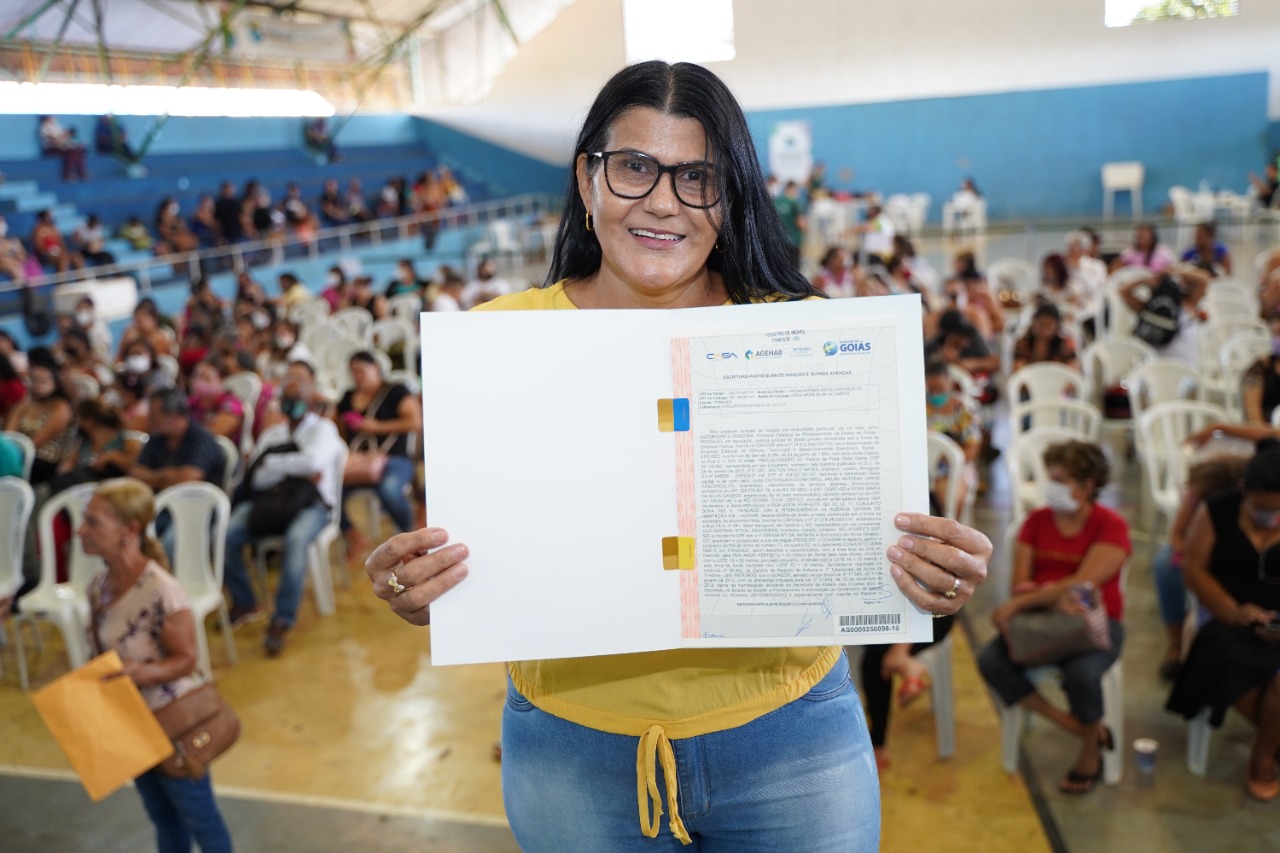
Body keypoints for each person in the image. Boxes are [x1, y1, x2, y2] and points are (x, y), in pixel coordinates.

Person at [363, 60, 992, 851]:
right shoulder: (497, 342)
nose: (662, 199)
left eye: (697, 176)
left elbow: (878, 538)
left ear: (731, 199)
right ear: (586, 180)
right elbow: (466, 548)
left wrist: (931, 567)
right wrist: (424, 585)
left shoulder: (803, 335)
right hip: (571, 750)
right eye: (633, 167)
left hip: (792, 740)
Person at [80, 478, 232, 851]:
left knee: (200, 818)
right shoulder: (99, 584)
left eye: (93, 522)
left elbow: (187, 661)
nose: (81, 530)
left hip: (171, 725)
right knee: (162, 817)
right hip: (132, 720)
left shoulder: (162, 590)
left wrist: (138, 672)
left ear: (129, 530)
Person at [978, 440, 1129, 795]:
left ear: (1086, 485)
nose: (1050, 485)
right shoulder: (1035, 522)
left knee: (1083, 676)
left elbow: (1083, 584)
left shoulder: (1111, 526)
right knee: (990, 661)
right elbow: (1019, 585)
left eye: (1059, 478)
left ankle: (1090, 753)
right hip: (1042, 620)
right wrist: (1047, 600)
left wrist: (1024, 602)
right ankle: (1078, 726)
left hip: (1096, 626)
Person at [1167, 440, 1280, 802]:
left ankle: (1264, 752)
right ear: (1246, 491)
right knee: (1229, 661)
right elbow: (1194, 569)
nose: (1271, 517)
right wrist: (1234, 611)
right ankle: (1269, 752)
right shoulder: (1218, 510)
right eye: (1263, 509)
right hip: (1226, 613)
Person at [222, 374, 345, 655]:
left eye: (298, 400)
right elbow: (257, 476)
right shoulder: (272, 434)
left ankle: (282, 618)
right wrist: (295, 467)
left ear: (310, 402)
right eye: (288, 400)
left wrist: (275, 463)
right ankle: (245, 601)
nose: (293, 406)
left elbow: (313, 461)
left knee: (296, 539)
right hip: (272, 503)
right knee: (227, 533)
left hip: (314, 506)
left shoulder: (323, 430)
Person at [1151, 455, 1247, 682]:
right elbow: (1177, 533)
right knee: (1166, 565)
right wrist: (1188, 556)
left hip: (1236, 555)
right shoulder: (1199, 495)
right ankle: (1175, 646)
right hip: (1199, 550)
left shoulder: (1253, 500)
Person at [336, 351, 420, 542]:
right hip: (359, 461)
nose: (358, 376)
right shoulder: (348, 397)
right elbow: (337, 428)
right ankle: (353, 536)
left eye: (361, 370)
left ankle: (409, 534)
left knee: (389, 489)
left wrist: (378, 427)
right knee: (325, 492)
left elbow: (415, 422)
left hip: (395, 458)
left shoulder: (395, 391)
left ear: (376, 368)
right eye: (353, 372)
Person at [129, 389, 227, 494]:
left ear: (173, 415)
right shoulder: (158, 437)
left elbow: (187, 482)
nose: (149, 420)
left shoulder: (203, 440)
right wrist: (165, 475)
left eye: (154, 415)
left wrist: (152, 478)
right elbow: (135, 474)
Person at [6, 350, 76, 486]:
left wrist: (15, 454)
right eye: (34, 380)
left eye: (43, 380)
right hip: (18, 453)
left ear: (55, 382)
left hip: (44, 459)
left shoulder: (61, 407)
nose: (38, 385)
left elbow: (39, 441)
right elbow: (9, 435)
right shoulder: (23, 406)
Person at [924, 357, 982, 514]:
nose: (936, 394)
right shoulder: (918, 408)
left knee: (951, 500)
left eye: (940, 389)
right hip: (922, 467)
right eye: (931, 390)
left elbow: (972, 449)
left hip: (955, 467)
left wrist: (946, 458)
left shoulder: (965, 410)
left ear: (950, 383)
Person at [187, 359, 245, 447]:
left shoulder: (231, 405)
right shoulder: (193, 401)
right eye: (196, 376)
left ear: (221, 380)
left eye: (205, 378)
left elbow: (215, 434)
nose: (198, 381)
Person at [1012, 303, 1080, 371]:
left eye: (1048, 325)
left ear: (1057, 327)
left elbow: (1073, 368)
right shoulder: (1023, 344)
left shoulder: (1065, 344)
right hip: (1030, 378)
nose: (1044, 329)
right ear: (1033, 322)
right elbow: (1018, 368)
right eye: (1040, 324)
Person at [1110, 223, 1175, 274]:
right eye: (1139, 234)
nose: (1141, 237)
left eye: (1145, 235)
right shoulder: (1130, 252)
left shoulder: (1163, 250)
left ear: (1152, 236)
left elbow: (1173, 268)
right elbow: (1114, 268)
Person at [38, 115, 88, 181]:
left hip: (62, 146)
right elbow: (54, 141)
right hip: (51, 148)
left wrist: (70, 139)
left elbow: (64, 137)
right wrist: (63, 136)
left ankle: (82, 173)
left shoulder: (57, 125)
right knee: (71, 152)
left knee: (78, 150)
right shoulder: (44, 127)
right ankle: (67, 175)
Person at [773, 180, 806, 266]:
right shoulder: (794, 203)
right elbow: (801, 223)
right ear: (792, 188)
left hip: (776, 240)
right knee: (793, 268)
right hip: (792, 241)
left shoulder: (776, 201)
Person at [0, 214, 30, 283]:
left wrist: (19, 255)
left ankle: (30, 289)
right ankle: (26, 291)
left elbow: (23, 255)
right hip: (5, 264)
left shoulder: (12, 240)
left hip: (14, 262)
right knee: (13, 267)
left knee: (19, 265)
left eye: (2, 221)